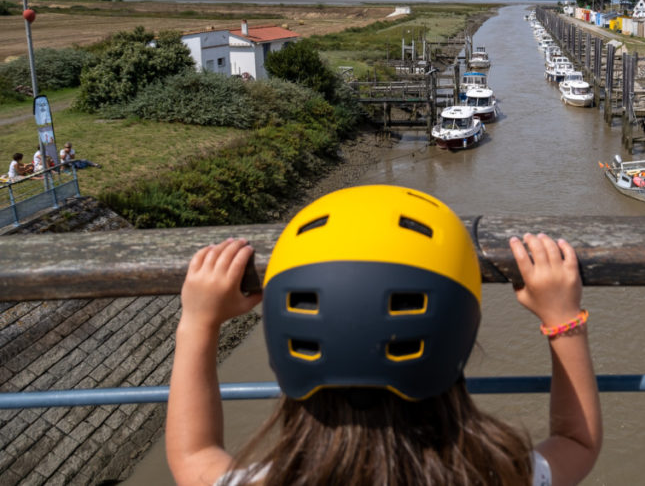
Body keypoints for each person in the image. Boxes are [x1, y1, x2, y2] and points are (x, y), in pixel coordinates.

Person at [166, 185, 601, 486]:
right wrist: (562, 319)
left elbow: (193, 455)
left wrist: (199, 322)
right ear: (458, 333)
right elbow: (576, 442)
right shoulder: (497, 474)